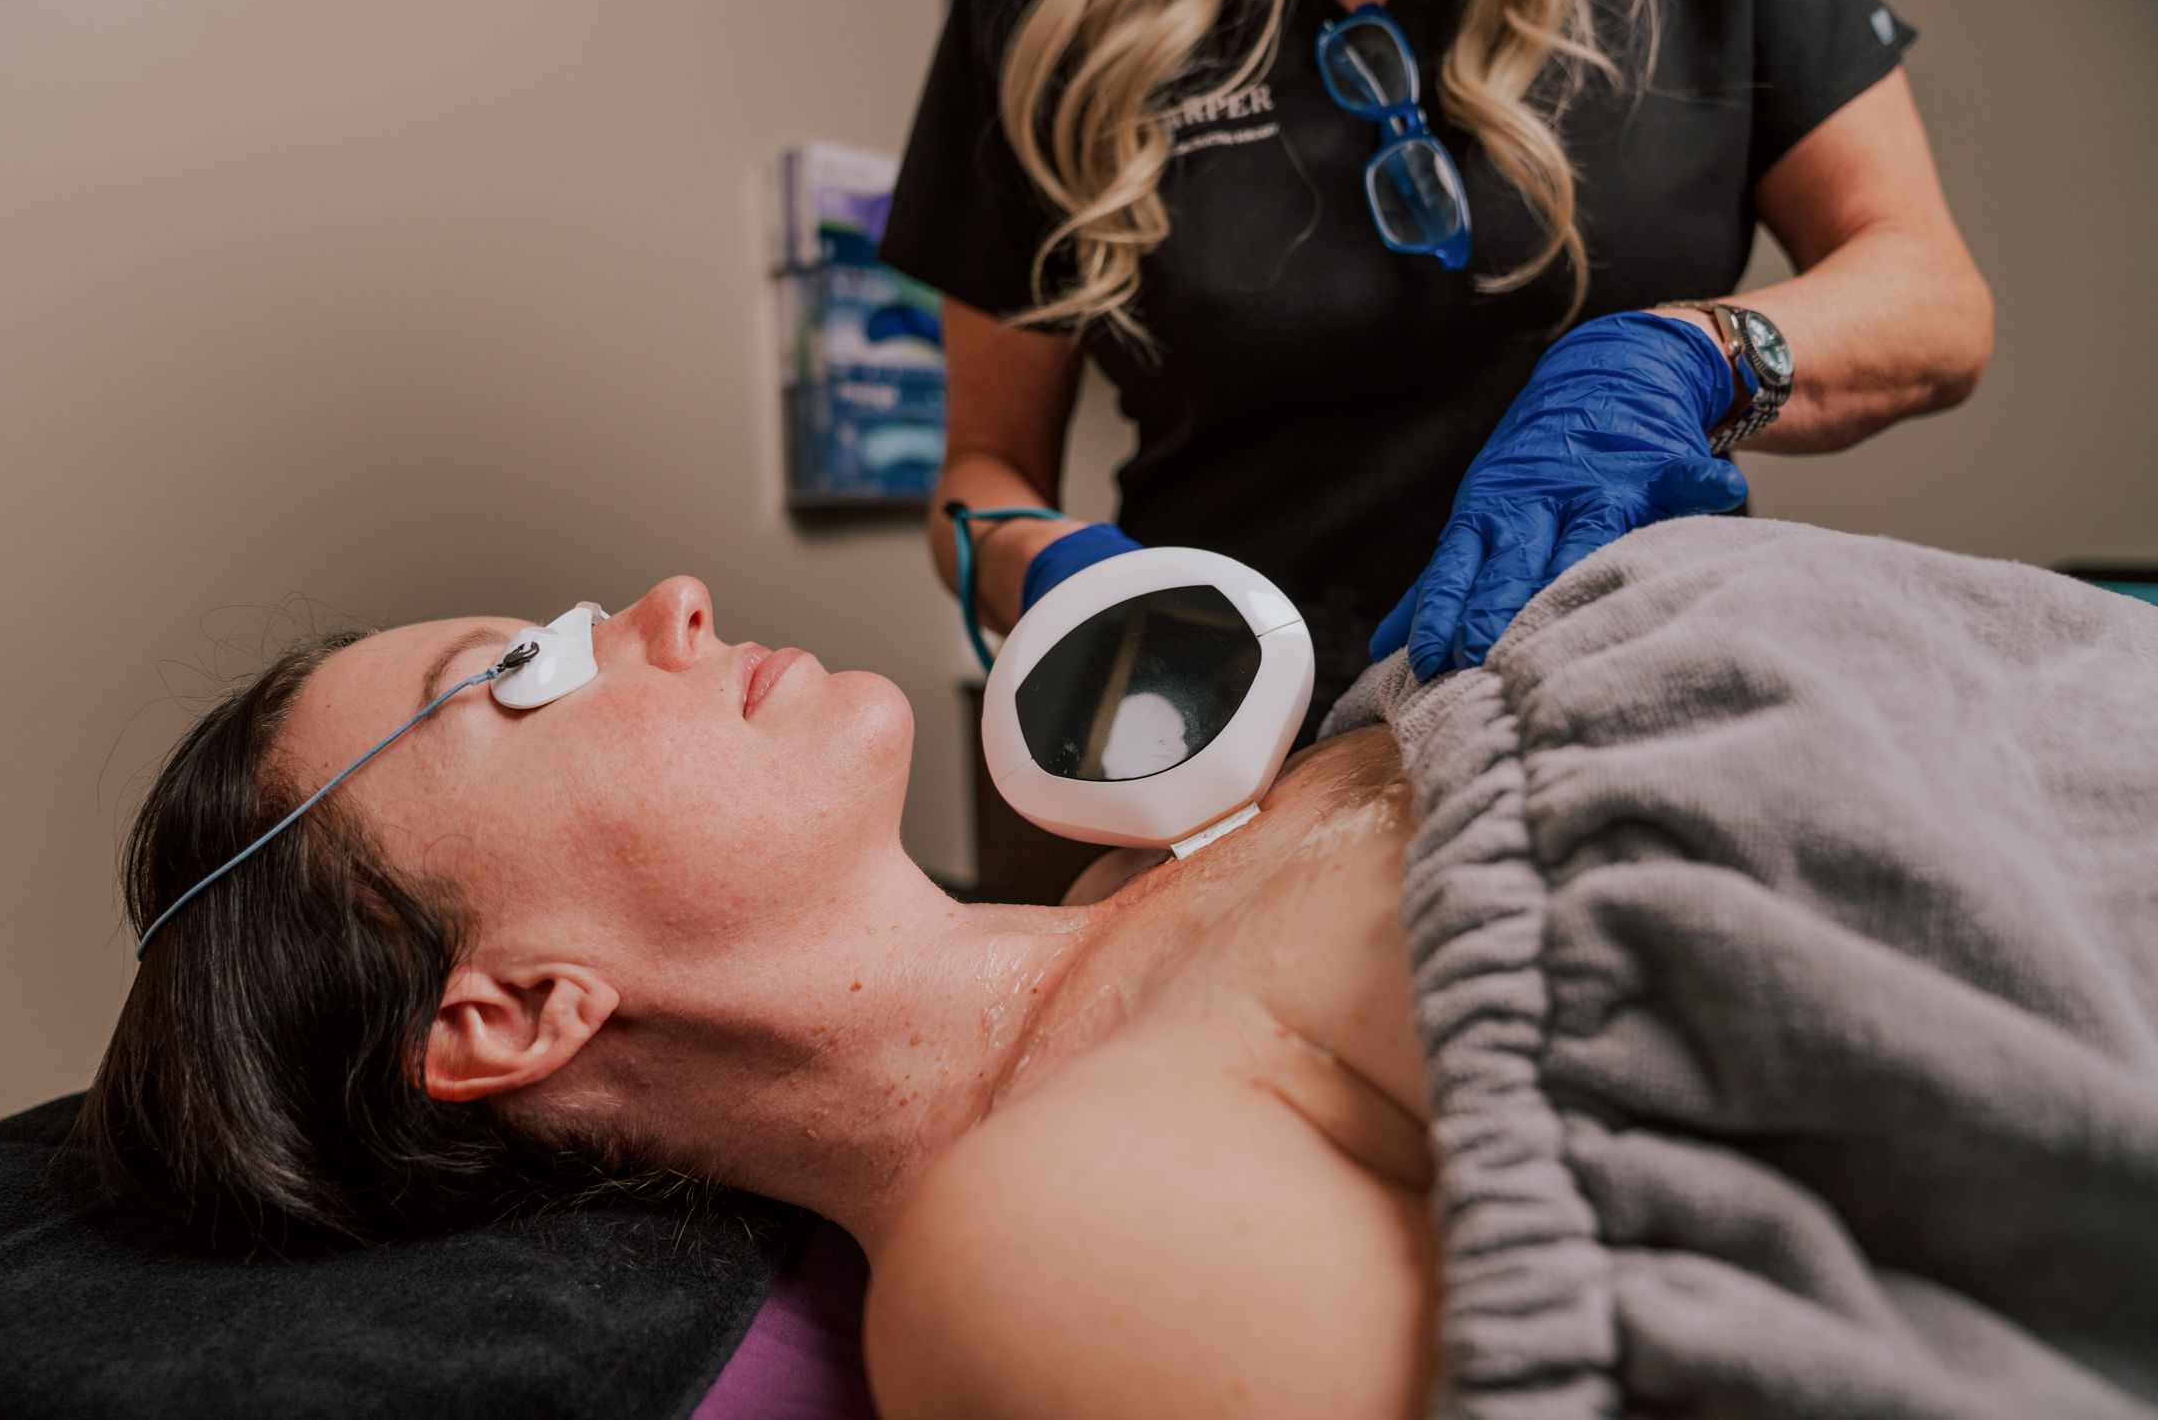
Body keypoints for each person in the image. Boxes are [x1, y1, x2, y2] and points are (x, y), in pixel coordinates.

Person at [83, 574, 1442, 1414]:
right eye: (522, 673)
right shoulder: (1033, 1265)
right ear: (511, 1011)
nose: (672, 599)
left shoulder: (1135, 858)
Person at [882, 0, 1993, 725]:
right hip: (1231, 727)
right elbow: (982, 466)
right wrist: (1047, 570)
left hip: (1649, 684)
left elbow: (1935, 302)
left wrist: (1689, 357)